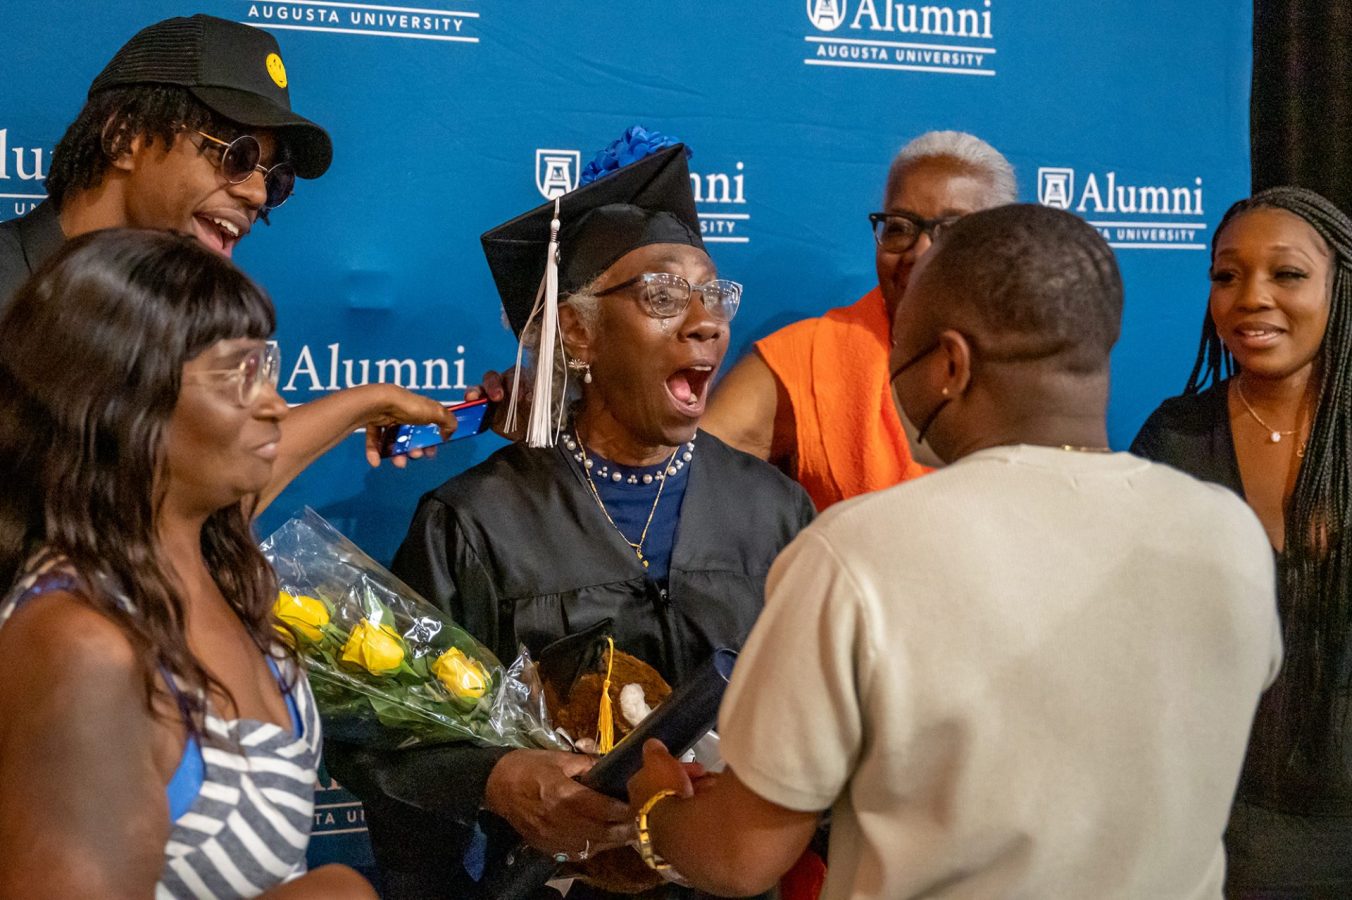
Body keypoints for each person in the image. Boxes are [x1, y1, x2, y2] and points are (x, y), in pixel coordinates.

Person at [625, 204, 1283, 899]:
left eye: (897, 353)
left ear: (949, 364)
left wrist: (654, 809)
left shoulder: (857, 555)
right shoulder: (1227, 535)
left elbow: (739, 856)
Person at [325, 140, 814, 899]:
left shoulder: (777, 510)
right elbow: (389, 730)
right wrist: (496, 778)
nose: (706, 323)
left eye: (714, 298)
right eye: (661, 297)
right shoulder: (476, 522)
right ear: (578, 332)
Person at [0, 229, 376, 898]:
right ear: (121, 395)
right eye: (237, 373)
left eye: (266, 366)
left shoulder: (202, 558)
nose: (271, 402)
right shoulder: (81, 643)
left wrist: (368, 403)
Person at [0, 13, 454, 505]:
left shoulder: (179, 324)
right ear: (124, 137)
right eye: (236, 156)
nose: (257, 193)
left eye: (273, 178)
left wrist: (366, 404)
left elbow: (182, 509)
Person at [1131, 186, 1352, 896]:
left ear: (1339, 287)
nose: (1250, 296)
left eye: (1286, 274)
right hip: (1224, 818)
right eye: (1226, 275)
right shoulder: (1176, 437)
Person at [698, 130, 1017, 508]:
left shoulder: (1038, 361)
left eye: (951, 231)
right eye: (899, 227)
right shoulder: (809, 361)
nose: (920, 252)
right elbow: (684, 487)